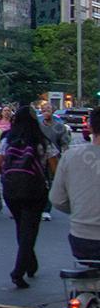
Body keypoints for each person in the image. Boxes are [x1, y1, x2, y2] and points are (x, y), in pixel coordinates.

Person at [0, 108, 59, 288]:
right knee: (30, 230)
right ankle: (18, 271)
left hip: (11, 190)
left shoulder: (8, 140)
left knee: (21, 227)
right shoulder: (42, 142)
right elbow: (56, 170)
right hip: (35, 191)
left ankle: (31, 264)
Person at [50, 107, 100, 261]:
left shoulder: (71, 156)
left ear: (90, 127)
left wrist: (81, 210)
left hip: (82, 237)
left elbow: (57, 199)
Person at [38, 102, 71, 222]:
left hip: (53, 158)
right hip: (39, 158)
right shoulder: (38, 126)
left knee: (51, 183)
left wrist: (65, 156)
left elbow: (65, 143)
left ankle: (46, 209)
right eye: (43, 109)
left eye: (48, 109)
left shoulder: (59, 127)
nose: (46, 111)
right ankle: (38, 206)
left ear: (53, 111)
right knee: (39, 183)